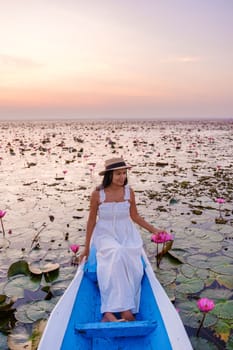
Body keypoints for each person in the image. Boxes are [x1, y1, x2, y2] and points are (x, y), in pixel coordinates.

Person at [79, 157, 160, 322]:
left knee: (134, 266)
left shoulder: (129, 192)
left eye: (124, 173)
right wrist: (87, 248)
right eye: (118, 174)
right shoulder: (97, 194)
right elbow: (91, 221)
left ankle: (112, 312)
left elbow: (135, 216)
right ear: (109, 175)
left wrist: (154, 230)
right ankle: (123, 311)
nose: (122, 177)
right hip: (105, 234)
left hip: (127, 233)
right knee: (116, 254)